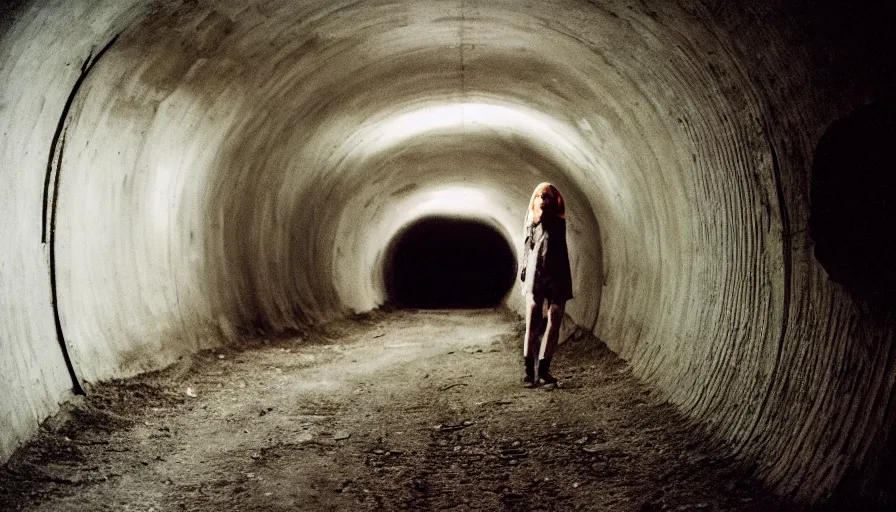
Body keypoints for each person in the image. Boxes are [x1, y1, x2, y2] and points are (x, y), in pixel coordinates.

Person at [520, 182, 573, 388]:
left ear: (555, 201)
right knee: (532, 323)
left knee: (555, 318)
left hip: (558, 275)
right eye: (541, 196)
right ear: (535, 199)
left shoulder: (558, 221)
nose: (544, 200)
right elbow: (527, 248)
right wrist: (524, 269)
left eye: (549, 196)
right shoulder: (531, 224)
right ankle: (528, 372)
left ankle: (543, 370)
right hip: (537, 274)